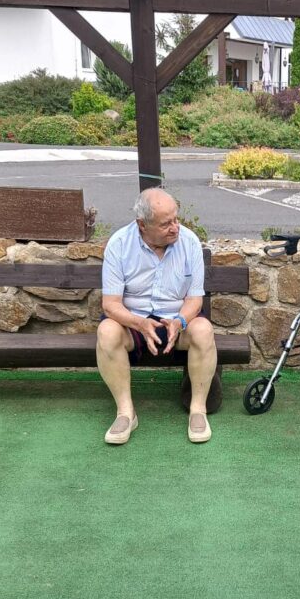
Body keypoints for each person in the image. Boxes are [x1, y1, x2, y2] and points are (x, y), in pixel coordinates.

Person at [97, 188, 217, 445]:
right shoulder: (120, 243)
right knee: (106, 331)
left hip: (177, 320)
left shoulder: (189, 242)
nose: (175, 228)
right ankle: (126, 413)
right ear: (142, 225)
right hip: (133, 322)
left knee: (203, 330)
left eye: (176, 219)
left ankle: (198, 410)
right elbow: (111, 304)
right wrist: (138, 323)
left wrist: (180, 321)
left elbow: (195, 300)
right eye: (165, 224)